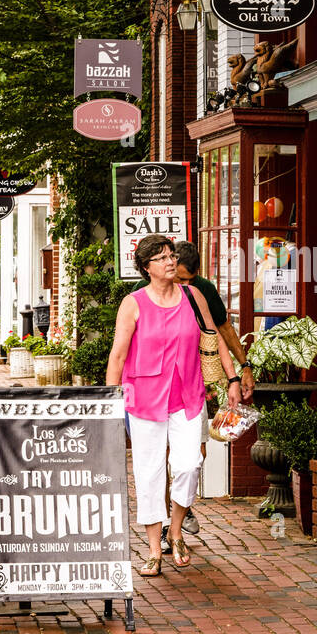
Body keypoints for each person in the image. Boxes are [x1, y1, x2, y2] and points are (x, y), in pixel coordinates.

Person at [106, 235, 241, 578]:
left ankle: (176, 529)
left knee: (189, 463)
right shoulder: (132, 303)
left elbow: (214, 339)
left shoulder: (192, 296)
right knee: (149, 472)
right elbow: (118, 354)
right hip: (144, 396)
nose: (170, 261)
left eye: (171, 255)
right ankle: (154, 549)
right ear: (146, 267)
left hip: (187, 393)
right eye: (162, 258)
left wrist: (233, 379)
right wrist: (109, 399)